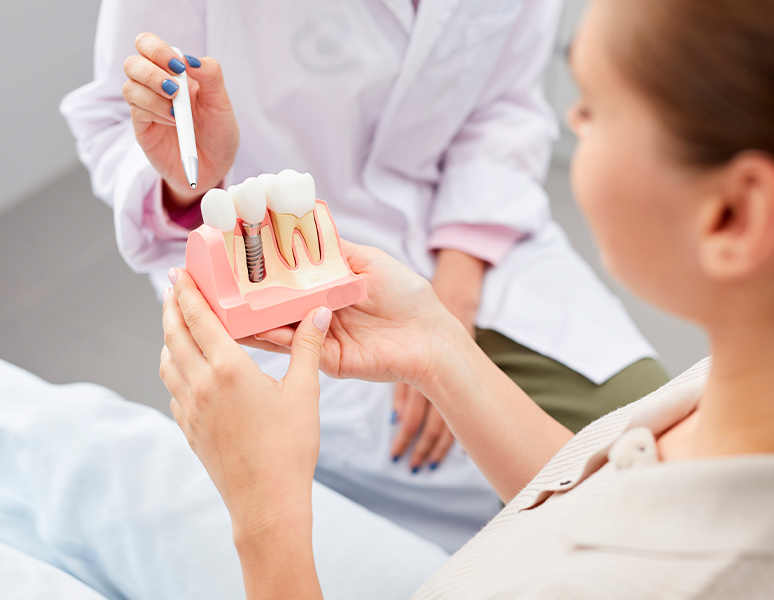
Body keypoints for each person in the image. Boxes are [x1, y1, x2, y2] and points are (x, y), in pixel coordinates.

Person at [154, 0, 774, 597]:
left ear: (733, 217)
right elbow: (611, 504)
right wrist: (439, 349)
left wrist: (267, 515)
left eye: (593, 105)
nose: (569, 122)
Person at [60, 0, 667, 550]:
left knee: (655, 454)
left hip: (480, 242)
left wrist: (456, 282)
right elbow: (120, 124)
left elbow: (504, 105)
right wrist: (191, 176)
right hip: (280, 270)